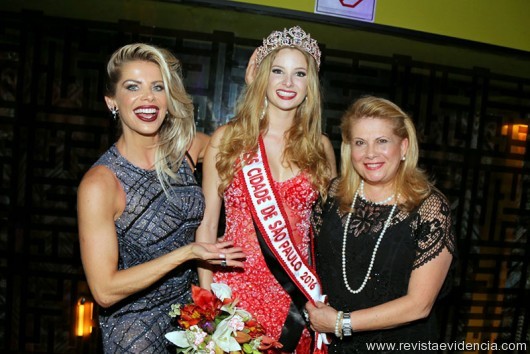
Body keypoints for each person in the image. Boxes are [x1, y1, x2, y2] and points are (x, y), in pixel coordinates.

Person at [77, 43, 244, 353]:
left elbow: (238, 146)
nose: (148, 98)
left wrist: (258, 83)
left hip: (191, 325)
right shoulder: (100, 184)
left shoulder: (186, 150)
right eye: (133, 87)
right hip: (135, 334)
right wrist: (188, 253)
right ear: (111, 101)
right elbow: (104, 290)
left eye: (158, 87)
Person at [196, 26, 337, 353]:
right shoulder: (227, 140)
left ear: (309, 86)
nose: (288, 83)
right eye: (278, 71)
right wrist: (207, 308)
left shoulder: (321, 148)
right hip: (235, 299)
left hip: (296, 300)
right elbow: (206, 225)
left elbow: (329, 231)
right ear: (262, 77)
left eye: (299, 74)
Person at [306, 96, 456, 353]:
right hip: (330, 345)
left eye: (382, 141)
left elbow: (419, 305)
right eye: (360, 143)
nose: (370, 153)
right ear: (348, 148)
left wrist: (341, 323)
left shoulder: (429, 207)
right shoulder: (331, 197)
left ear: (404, 147)